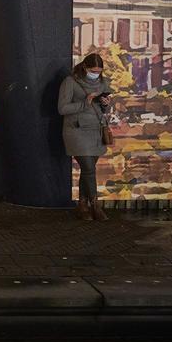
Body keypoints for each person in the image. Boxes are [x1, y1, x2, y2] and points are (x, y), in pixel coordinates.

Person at [58, 53, 112, 221]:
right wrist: (84, 103)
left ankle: (82, 205)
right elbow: (62, 108)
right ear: (85, 67)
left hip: (96, 130)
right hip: (77, 131)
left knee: (87, 171)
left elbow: (105, 110)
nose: (96, 73)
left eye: (99, 70)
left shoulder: (104, 83)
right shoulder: (70, 82)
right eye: (92, 70)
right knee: (89, 168)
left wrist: (106, 104)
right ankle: (95, 205)